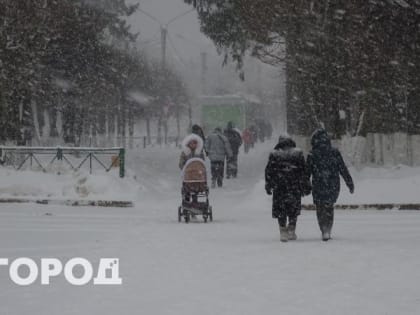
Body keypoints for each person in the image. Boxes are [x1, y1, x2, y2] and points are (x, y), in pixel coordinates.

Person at [306, 129, 354, 241]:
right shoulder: (334, 152)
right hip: (332, 185)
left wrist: (304, 185)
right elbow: (343, 169)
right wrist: (349, 183)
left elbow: (306, 172)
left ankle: (323, 229)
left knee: (320, 208)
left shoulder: (312, 154)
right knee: (329, 207)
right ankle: (327, 229)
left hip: (318, 185)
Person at [265, 135, 311, 242]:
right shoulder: (298, 153)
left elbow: (269, 171)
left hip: (279, 186)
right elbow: (303, 171)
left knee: (281, 208)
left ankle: (282, 231)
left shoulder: (274, 154)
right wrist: (305, 185)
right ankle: (291, 229)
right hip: (294, 185)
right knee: (293, 208)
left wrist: (269, 185)